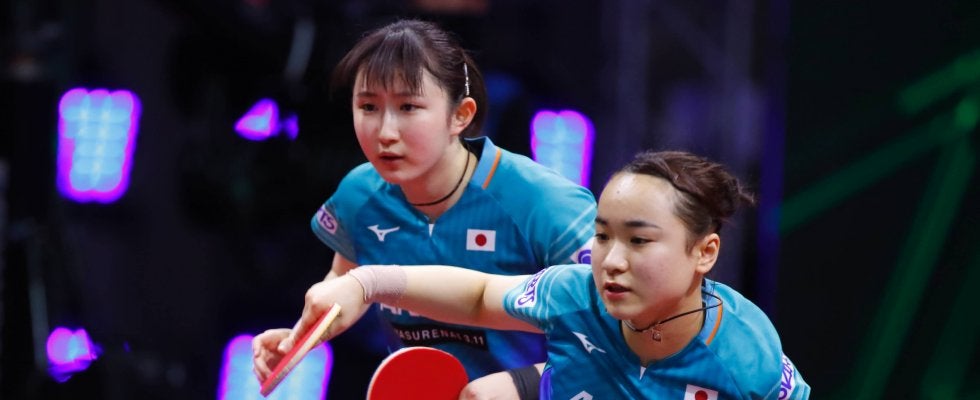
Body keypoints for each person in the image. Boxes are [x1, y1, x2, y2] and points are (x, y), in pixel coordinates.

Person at [274, 150, 812, 399]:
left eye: (639, 240)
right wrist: (365, 282)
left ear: (704, 253)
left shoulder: (748, 360)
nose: (612, 260)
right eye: (602, 236)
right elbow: (480, 294)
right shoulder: (576, 294)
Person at [251, 19, 596, 399]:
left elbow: (620, 333)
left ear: (460, 115)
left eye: (408, 107)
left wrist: (524, 386)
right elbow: (344, 279)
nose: (385, 132)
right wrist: (300, 338)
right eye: (368, 106)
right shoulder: (359, 195)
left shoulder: (544, 203)